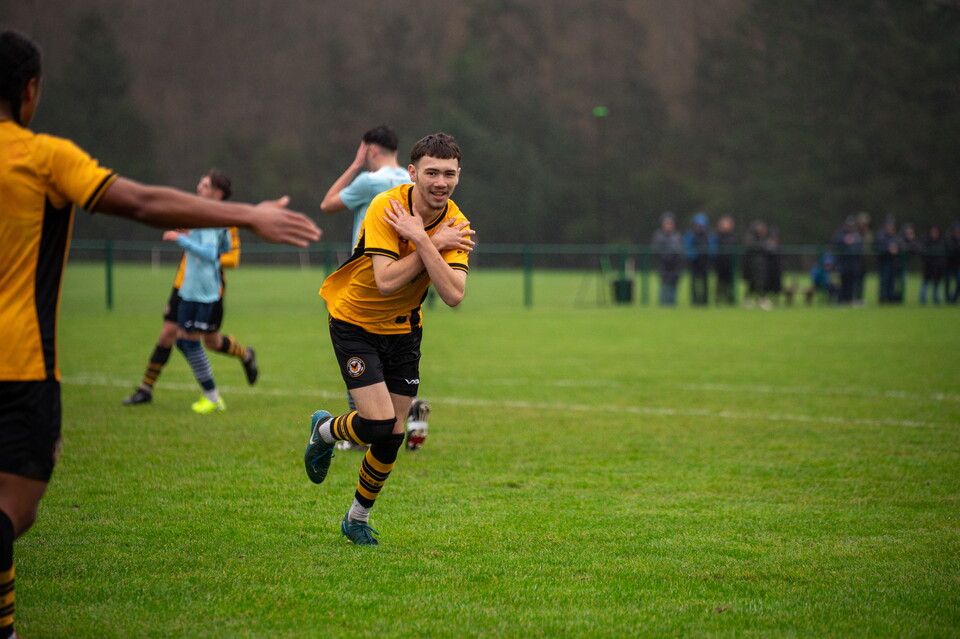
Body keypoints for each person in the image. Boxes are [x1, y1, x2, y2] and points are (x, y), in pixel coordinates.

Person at [0, 29, 321, 639]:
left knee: (187, 337)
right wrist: (249, 216)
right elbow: (143, 202)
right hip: (17, 362)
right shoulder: (42, 156)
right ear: (30, 91)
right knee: (16, 506)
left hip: (204, 294)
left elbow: (214, 257)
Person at [304, 132, 476, 546]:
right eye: (432, 172)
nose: (441, 182)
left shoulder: (457, 223)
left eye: (449, 174)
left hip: (404, 331)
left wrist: (421, 238)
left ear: (458, 176)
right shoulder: (386, 206)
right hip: (355, 322)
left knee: (393, 434)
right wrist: (431, 242)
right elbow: (385, 281)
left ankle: (356, 519)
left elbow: (453, 294)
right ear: (413, 172)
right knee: (379, 423)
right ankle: (325, 431)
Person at [320, 125, 431, 451]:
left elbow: (327, 204)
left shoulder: (370, 181)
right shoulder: (414, 181)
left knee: (359, 349)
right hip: (410, 279)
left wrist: (355, 166)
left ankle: (360, 432)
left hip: (371, 277)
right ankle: (409, 409)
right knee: (395, 357)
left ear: (369, 149)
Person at [122, 170, 259, 407]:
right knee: (168, 333)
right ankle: (146, 388)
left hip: (209, 289)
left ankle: (245, 355)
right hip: (183, 285)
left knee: (211, 342)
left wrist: (205, 253)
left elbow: (232, 258)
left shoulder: (226, 221)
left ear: (217, 194)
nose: (198, 188)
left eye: (204, 185)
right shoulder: (192, 211)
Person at [651, 212, 684, 306]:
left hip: (675, 263)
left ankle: (672, 303)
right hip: (663, 263)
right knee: (664, 283)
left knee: (674, 283)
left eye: (670, 223)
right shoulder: (658, 236)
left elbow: (680, 249)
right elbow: (656, 249)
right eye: (666, 223)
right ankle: (664, 303)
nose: (668, 225)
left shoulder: (677, 236)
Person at [683, 212, 715, 306]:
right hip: (694, 263)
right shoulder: (691, 234)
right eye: (698, 225)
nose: (700, 227)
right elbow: (688, 247)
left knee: (705, 282)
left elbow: (713, 248)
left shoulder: (709, 235)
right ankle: (694, 301)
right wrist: (693, 256)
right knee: (693, 282)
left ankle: (705, 301)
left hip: (705, 262)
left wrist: (708, 255)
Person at [743, 219, 774, 310]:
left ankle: (760, 300)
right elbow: (751, 247)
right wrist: (765, 246)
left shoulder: (762, 238)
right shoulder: (751, 238)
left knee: (760, 282)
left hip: (761, 265)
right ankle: (753, 300)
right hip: (753, 265)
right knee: (754, 283)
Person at [832, 215, 863, 305]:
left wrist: (853, 242)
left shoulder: (856, 235)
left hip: (853, 262)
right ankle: (841, 300)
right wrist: (844, 241)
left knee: (851, 282)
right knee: (842, 282)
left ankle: (849, 299)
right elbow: (835, 244)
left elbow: (860, 246)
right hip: (843, 262)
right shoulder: (840, 234)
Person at [875, 216, 902, 304]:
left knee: (892, 281)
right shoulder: (881, 236)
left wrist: (896, 249)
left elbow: (902, 246)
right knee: (884, 280)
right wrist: (888, 249)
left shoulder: (895, 236)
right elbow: (878, 247)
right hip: (884, 262)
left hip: (893, 262)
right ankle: (883, 298)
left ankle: (890, 298)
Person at [919, 225, 947, 305]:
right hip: (928, 266)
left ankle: (936, 299)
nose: (934, 234)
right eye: (933, 232)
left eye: (936, 232)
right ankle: (923, 299)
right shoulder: (926, 241)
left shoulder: (941, 241)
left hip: (938, 267)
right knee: (925, 282)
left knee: (937, 283)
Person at [714, 214, 738, 305]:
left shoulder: (733, 236)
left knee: (730, 283)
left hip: (730, 263)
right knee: (720, 283)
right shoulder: (717, 235)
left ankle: (730, 299)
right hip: (720, 264)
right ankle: (718, 299)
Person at [945, 221, 960, 304]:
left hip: (958, 265)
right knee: (948, 282)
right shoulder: (949, 239)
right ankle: (948, 298)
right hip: (949, 265)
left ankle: (955, 298)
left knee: (958, 281)